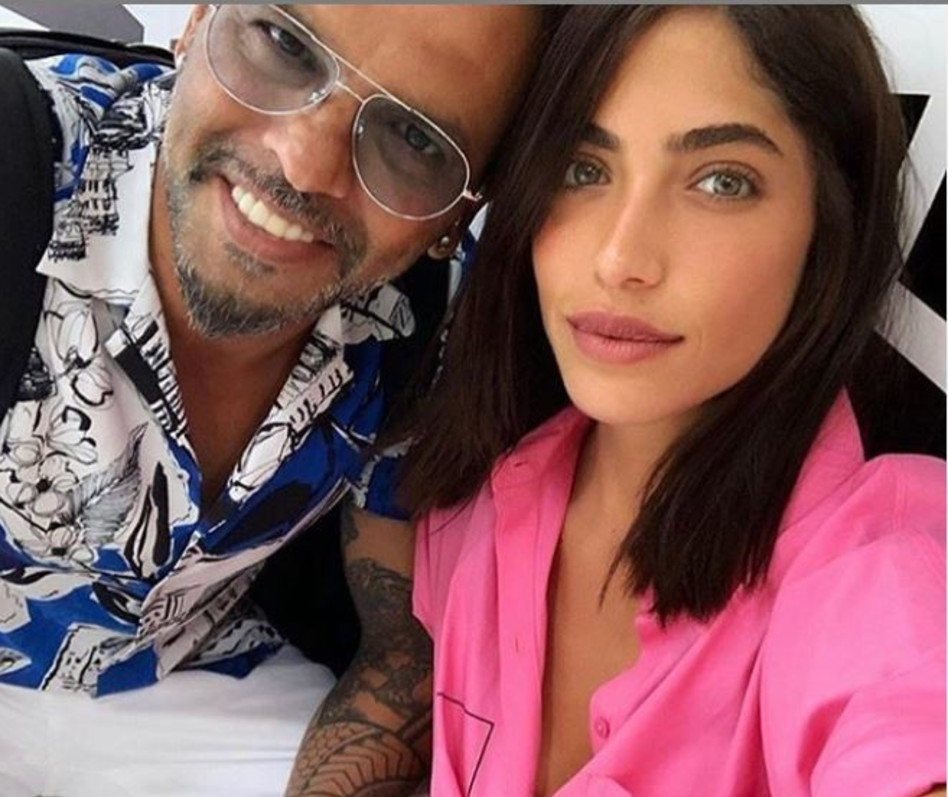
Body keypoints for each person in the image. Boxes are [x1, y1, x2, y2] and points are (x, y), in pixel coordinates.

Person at [0, 4, 559, 796]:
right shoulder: (19, 170)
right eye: (284, 45)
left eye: (413, 138)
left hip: (181, 676)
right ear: (198, 19)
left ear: (459, 213)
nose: (303, 164)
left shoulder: (429, 321)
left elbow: (401, 638)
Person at [402, 5, 947, 796]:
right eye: (583, 168)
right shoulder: (470, 503)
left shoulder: (882, 558)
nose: (621, 257)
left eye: (722, 181)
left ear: (830, 228)